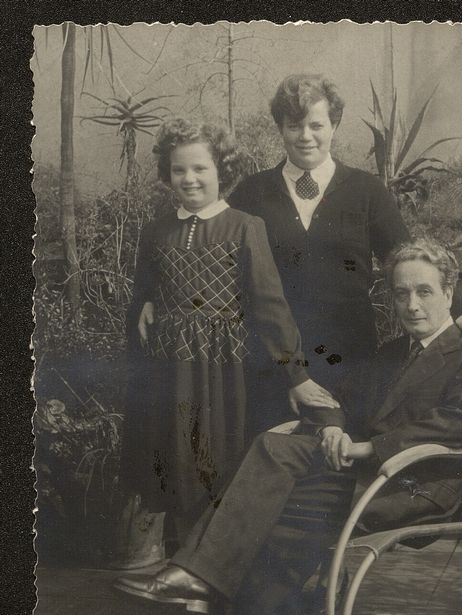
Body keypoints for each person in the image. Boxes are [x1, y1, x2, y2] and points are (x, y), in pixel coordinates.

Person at [115, 238, 462, 615]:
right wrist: (334, 429)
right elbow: (336, 399)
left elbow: (461, 425)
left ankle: (214, 613)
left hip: (415, 484)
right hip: (354, 474)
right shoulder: (390, 352)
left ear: (449, 291)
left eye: (423, 292)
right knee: (267, 480)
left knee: (266, 510)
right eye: (400, 293)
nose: (412, 304)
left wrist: (365, 448)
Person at [228, 74, 462, 432]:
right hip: (275, 358)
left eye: (316, 125)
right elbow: (221, 264)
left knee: (341, 454)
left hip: (349, 355)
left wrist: (459, 312)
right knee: (278, 453)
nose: (306, 136)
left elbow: (409, 260)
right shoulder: (251, 193)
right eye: (294, 126)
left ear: (334, 125)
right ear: (280, 128)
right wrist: (151, 296)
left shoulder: (366, 192)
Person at [118, 118, 335, 544]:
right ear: (167, 174)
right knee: (172, 463)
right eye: (179, 170)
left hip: (219, 372)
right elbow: (146, 286)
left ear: (222, 171)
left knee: (214, 463)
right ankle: (176, 568)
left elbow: (270, 306)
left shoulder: (244, 226)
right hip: (168, 371)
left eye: (200, 168)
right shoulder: (156, 231)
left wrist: (297, 375)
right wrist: (143, 303)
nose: (190, 179)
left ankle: (211, 577)